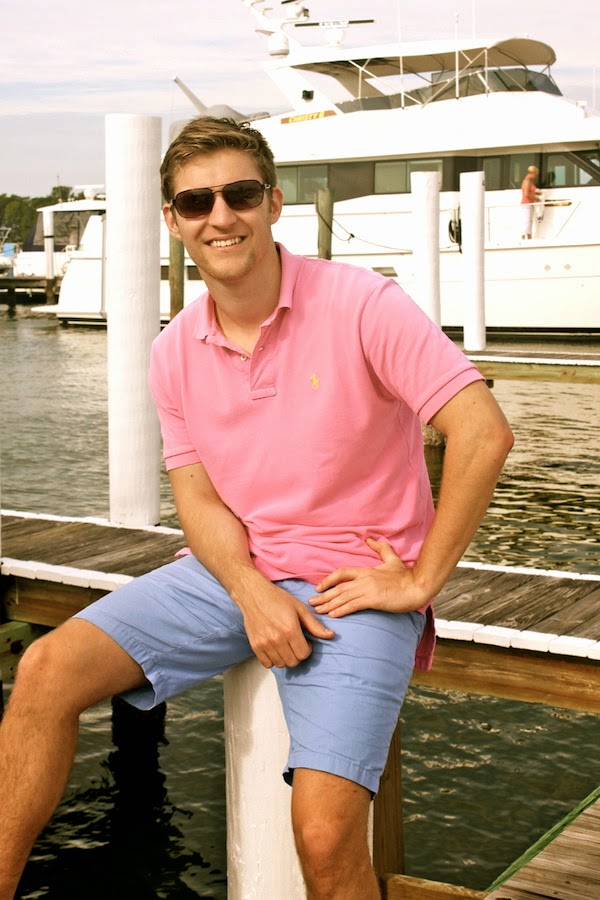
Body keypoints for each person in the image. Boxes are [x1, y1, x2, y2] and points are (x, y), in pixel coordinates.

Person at [0, 116, 514, 900]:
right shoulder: (174, 350)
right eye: (196, 202)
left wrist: (420, 581)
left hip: (354, 582)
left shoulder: (363, 303)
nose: (220, 215)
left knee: (325, 833)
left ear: (273, 203)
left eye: (239, 194)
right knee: (44, 670)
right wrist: (250, 591)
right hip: (231, 573)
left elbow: (482, 432)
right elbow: (197, 495)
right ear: (173, 221)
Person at [520, 165, 542, 239]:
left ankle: (529, 236)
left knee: (529, 221)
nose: (536, 176)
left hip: (529, 203)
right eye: (535, 174)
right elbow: (526, 194)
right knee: (526, 221)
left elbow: (529, 192)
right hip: (527, 203)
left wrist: (537, 193)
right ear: (532, 173)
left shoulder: (529, 181)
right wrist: (536, 198)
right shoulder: (527, 181)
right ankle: (524, 237)